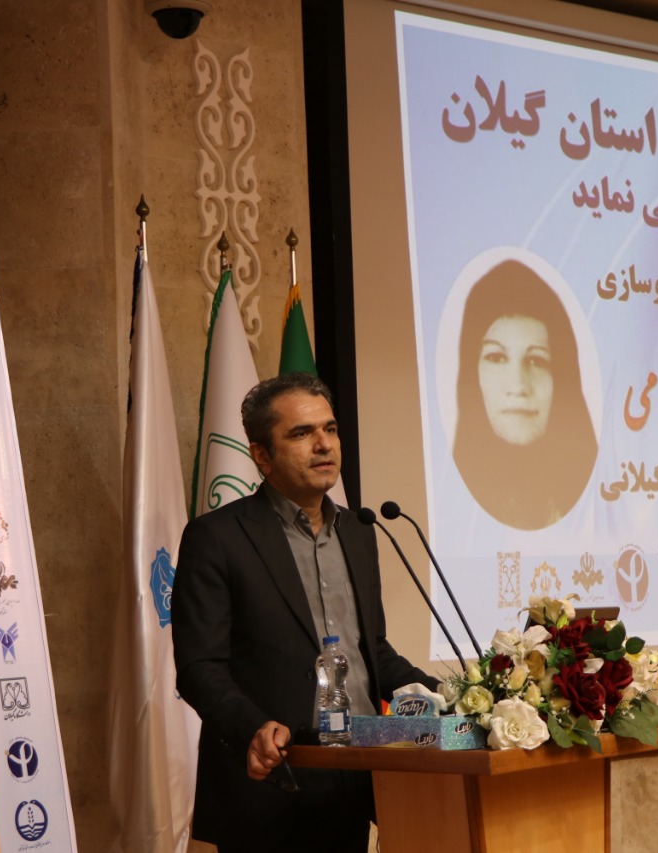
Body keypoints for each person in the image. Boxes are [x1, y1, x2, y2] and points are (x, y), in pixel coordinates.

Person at [172, 372, 436, 852]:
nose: (324, 445)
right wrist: (252, 727)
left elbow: (372, 652)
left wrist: (460, 698)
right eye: (301, 433)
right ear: (262, 456)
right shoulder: (218, 538)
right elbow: (198, 667)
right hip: (274, 782)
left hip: (356, 770)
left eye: (330, 429)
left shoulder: (358, 531)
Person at [452, 259, 598, 530]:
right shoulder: (452, 505)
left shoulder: (595, 506)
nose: (518, 386)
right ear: (473, 374)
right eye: (496, 357)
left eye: (536, 361)